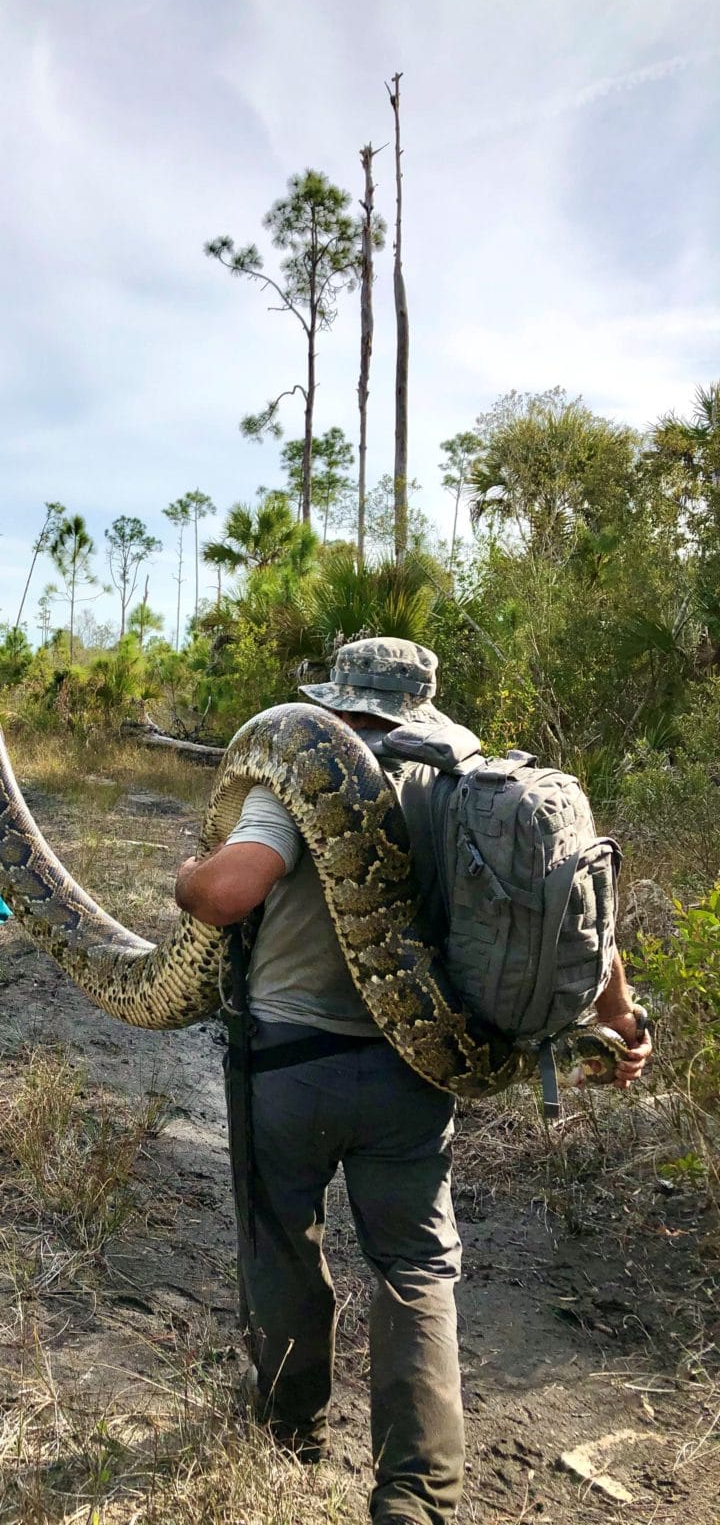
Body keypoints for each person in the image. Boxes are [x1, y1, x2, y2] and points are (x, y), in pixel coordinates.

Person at [174, 637, 651, 1523]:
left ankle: (290, 1426)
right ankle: (419, 1493)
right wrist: (620, 1017)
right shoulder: (476, 784)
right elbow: (579, 915)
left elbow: (229, 893)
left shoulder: (306, 767)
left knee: (281, 1238)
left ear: (343, 699)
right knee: (417, 1267)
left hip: (292, 1068)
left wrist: (188, 878)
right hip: (414, 1077)